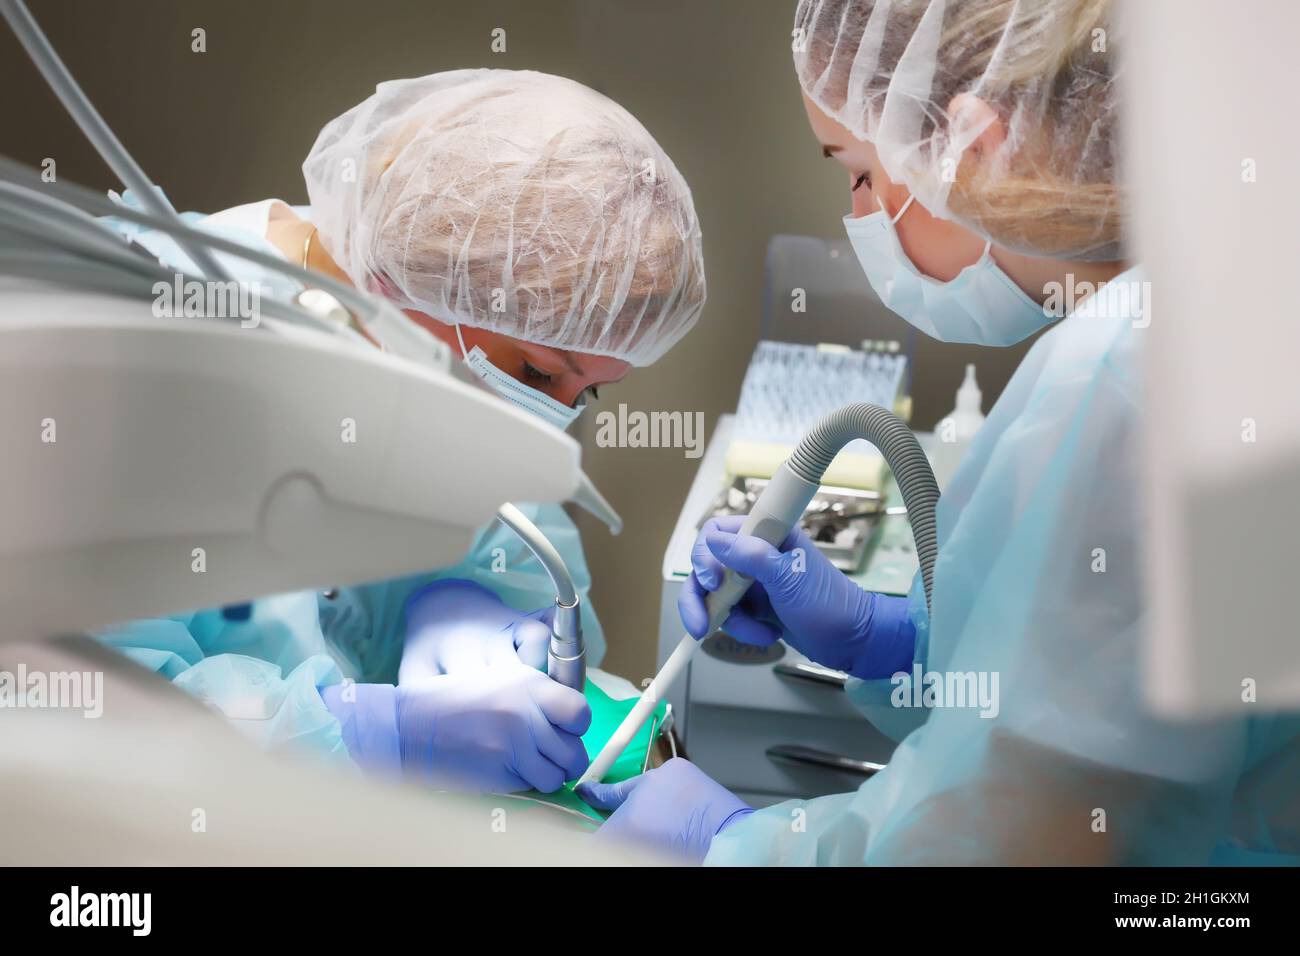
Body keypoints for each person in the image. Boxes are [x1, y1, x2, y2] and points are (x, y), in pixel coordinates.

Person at [579, 0, 1300, 864]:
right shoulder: (1227, 301)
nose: (858, 213)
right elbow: (1116, 680)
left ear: (974, 143)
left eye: (856, 171)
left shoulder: (1125, 376)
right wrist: (896, 637)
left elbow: (1026, 835)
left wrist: (738, 843)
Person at [97, 70, 706, 794]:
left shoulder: (433, 373)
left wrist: (472, 612)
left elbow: (511, 554)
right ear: (431, 274)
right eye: (543, 374)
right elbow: (80, 716)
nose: (554, 415)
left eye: (592, 390)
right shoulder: (137, 346)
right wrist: (351, 735)